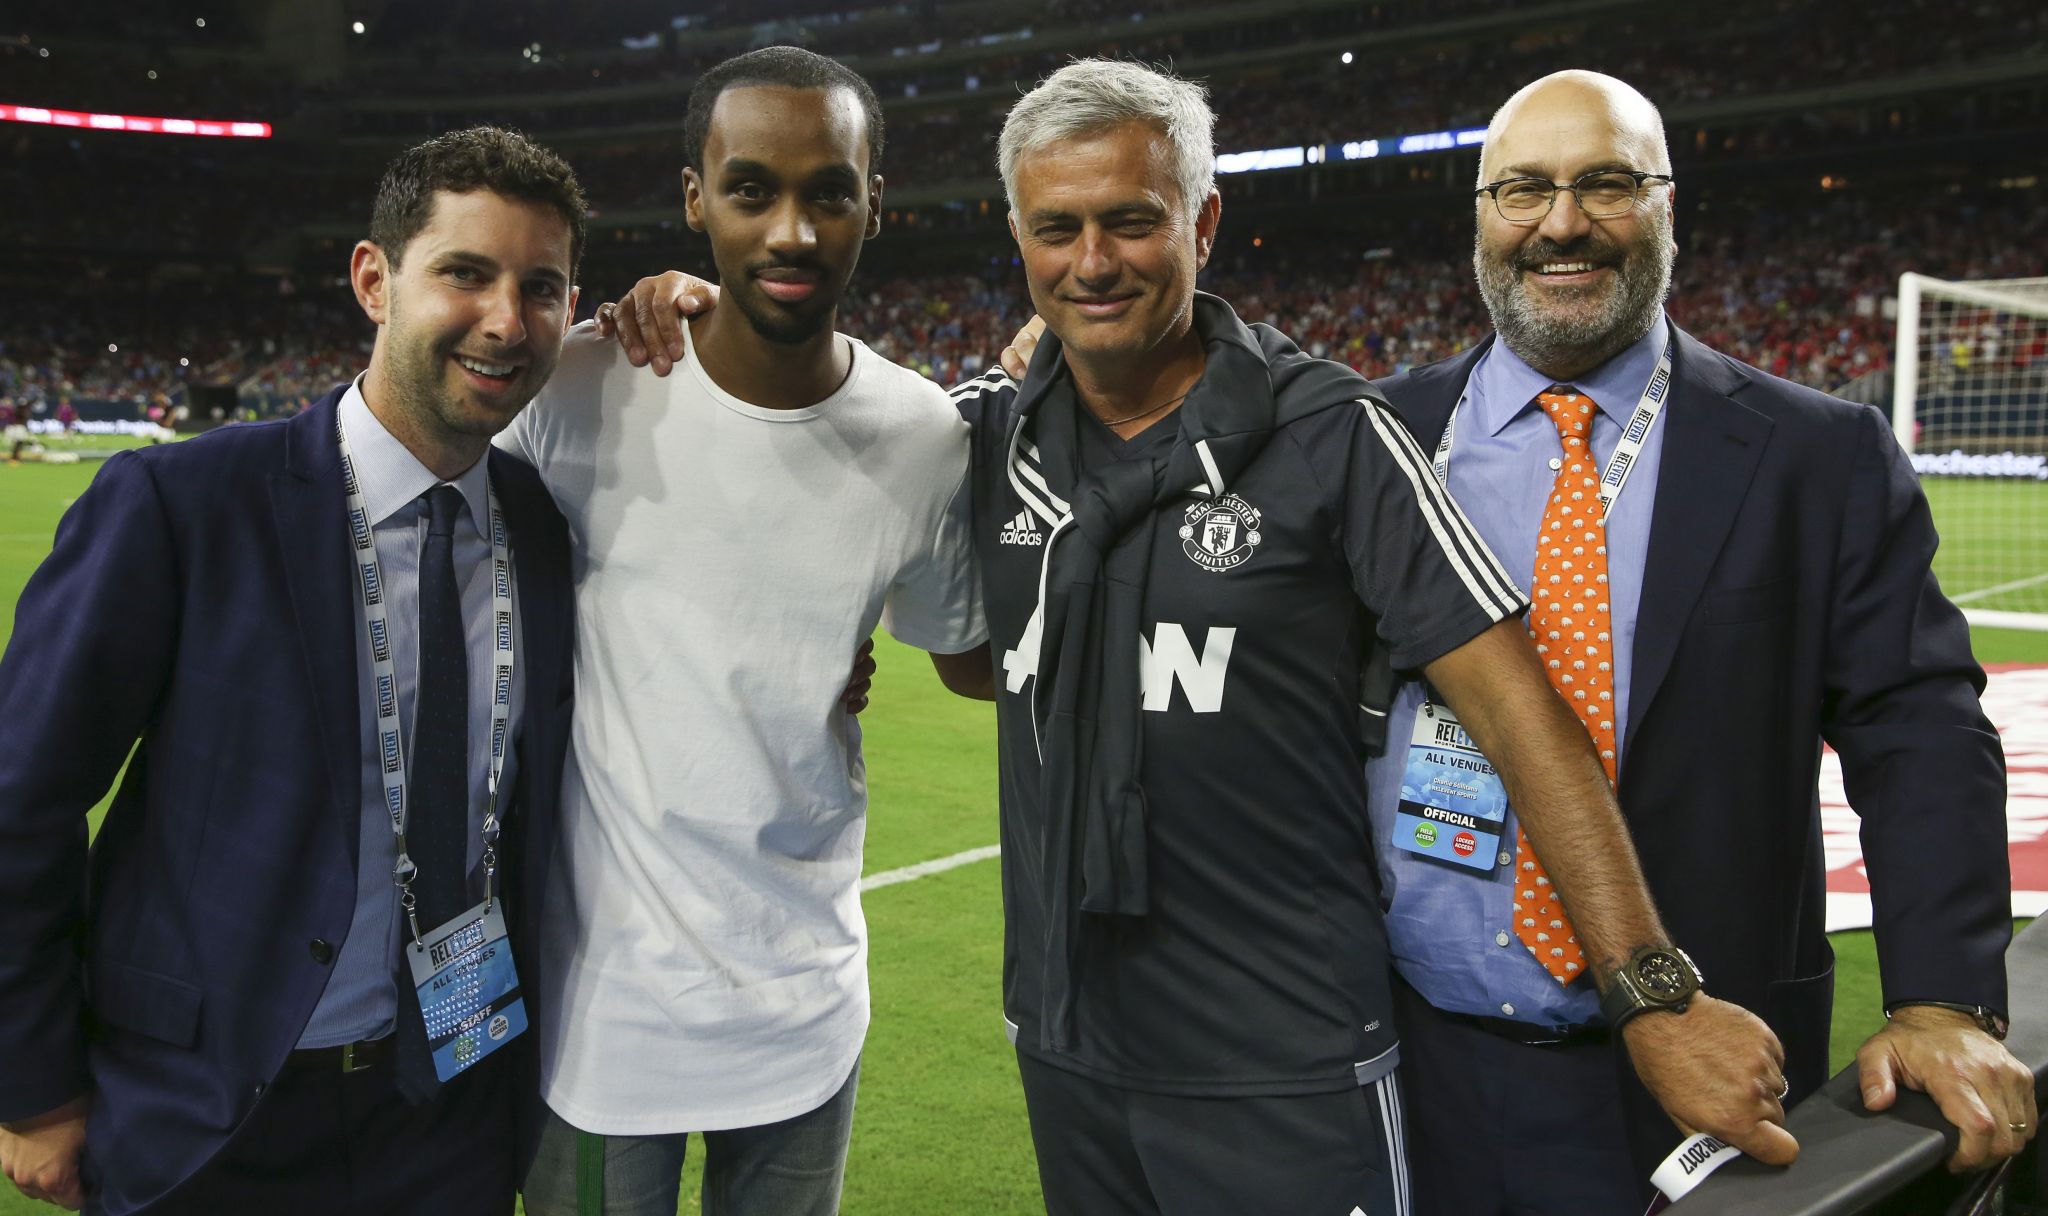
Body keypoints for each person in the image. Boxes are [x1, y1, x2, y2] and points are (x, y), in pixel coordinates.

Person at [603, 58, 1790, 1216]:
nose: (1091, 261)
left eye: (1129, 220)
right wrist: (672, 312)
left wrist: (1652, 993)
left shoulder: (1331, 434)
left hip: (1286, 1060)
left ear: (1202, 220)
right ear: (1014, 235)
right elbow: (966, 645)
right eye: (1054, 227)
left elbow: (1523, 716)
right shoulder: (983, 440)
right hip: (1067, 1047)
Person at [1360, 70, 2034, 1213]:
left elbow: (1914, 727)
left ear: (1669, 206)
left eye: (1605, 183)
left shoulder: (1813, 456)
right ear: (1478, 214)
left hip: (1708, 1065)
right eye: (1521, 187)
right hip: (1409, 1060)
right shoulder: (1371, 440)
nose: (1560, 221)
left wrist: (1939, 1001)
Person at [0, 127, 585, 1216]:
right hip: (214, 1114)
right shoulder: (182, 507)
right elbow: (18, 798)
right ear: (375, 279)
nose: (507, 320)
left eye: (540, 286)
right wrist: (33, 1088)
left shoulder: (544, 532)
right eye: (464, 272)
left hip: (453, 1107)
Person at [496, 48, 986, 1216]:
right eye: (751, 189)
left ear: (876, 197)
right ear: (692, 198)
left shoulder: (923, 435)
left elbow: (968, 656)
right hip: (601, 1013)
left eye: (829, 191)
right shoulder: (581, 388)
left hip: (804, 1003)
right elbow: (435, 558)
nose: (793, 232)